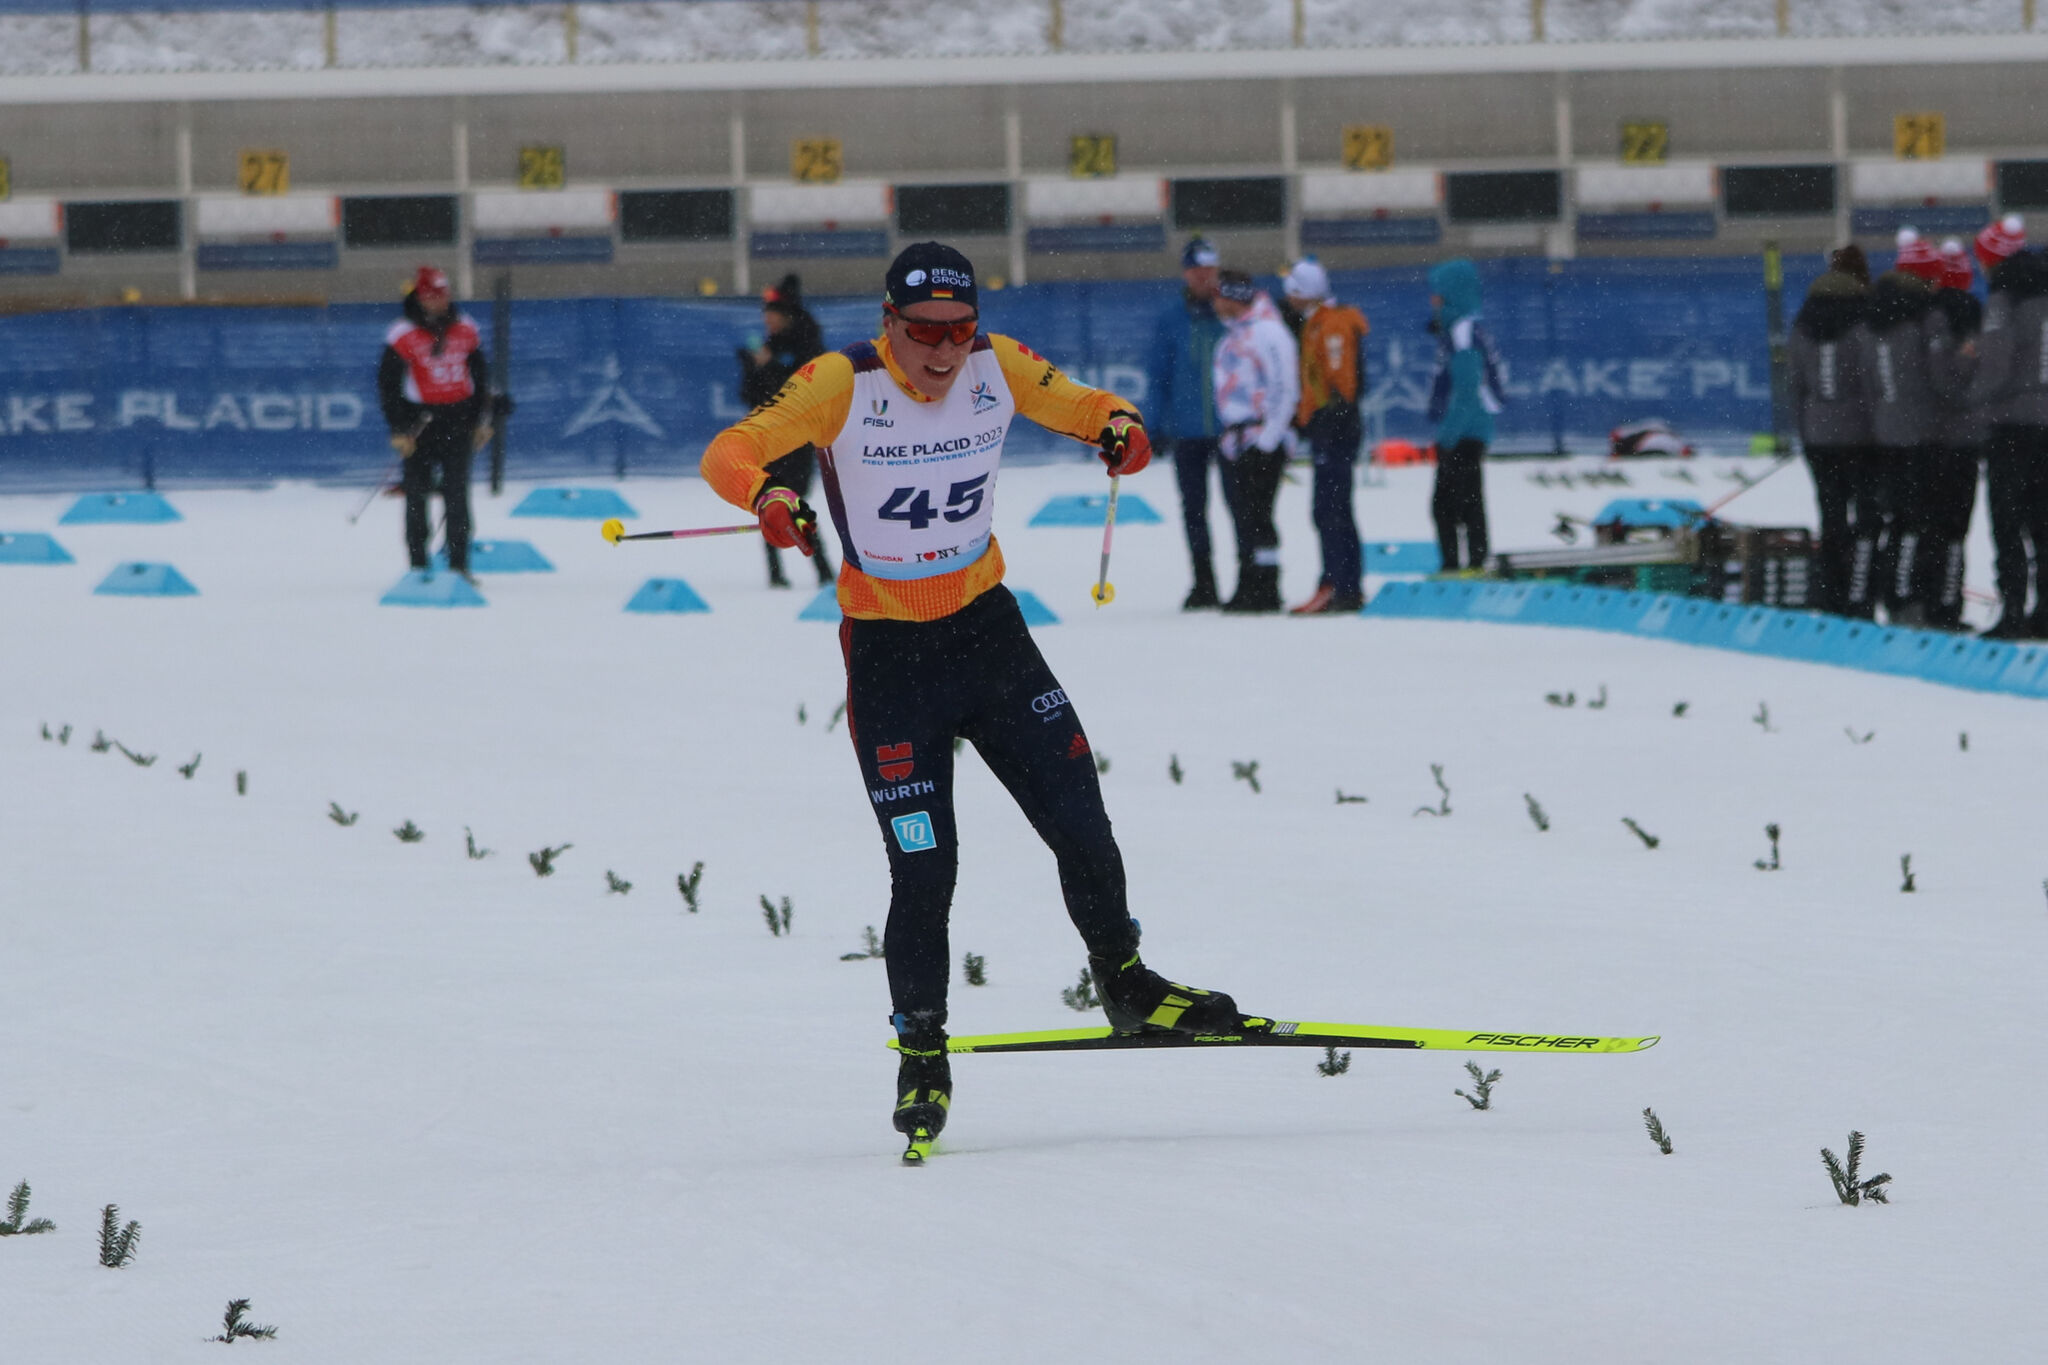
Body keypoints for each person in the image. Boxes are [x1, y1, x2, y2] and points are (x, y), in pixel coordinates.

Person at [697, 242, 1242, 1153]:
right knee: (925, 870)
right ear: (890, 323)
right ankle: (922, 1050)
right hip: (889, 658)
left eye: (960, 330)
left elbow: (1088, 405)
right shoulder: (842, 382)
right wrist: (766, 496)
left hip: (989, 639)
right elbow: (729, 449)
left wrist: (1120, 426)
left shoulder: (998, 364)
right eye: (926, 332)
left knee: (1082, 821)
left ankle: (1126, 982)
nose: (945, 351)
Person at [377, 266, 492, 580]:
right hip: (420, 424)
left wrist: (481, 419)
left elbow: (480, 376)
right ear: (420, 297)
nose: (439, 302)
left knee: (457, 494)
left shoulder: (466, 327)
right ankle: (418, 565)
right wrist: (399, 428)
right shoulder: (401, 333)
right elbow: (388, 384)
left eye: (443, 295)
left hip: (458, 421)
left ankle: (459, 565)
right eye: (431, 296)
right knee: (416, 495)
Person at [1788, 245, 1879, 618]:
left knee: (1831, 515)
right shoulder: (1866, 318)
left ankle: (1830, 595)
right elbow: (1872, 381)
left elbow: (1795, 385)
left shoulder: (1804, 319)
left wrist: (1806, 431)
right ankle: (1860, 596)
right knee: (1867, 517)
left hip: (1819, 435)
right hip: (1861, 436)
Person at [1970, 217, 2048, 638]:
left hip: (2013, 425)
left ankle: (2013, 610)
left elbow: (1997, 365)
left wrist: (1970, 398)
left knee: (2007, 518)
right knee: (2042, 521)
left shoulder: (2006, 295)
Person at [1863, 230, 1946, 624]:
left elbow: (1867, 379)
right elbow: (1938, 378)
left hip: (1882, 432)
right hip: (1919, 432)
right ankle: (1907, 598)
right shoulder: (1924, 316)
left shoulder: (1873, 314)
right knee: (1917, 520)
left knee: (1893, 519)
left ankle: (1889, 594)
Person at [1281, 258, 1370, 615]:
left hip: (1335, 428)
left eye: (1293, 290)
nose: (1288, 297)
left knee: (1331, 508)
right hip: (1329, 426)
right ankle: (1341, 584)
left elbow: (1340, 379)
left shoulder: (1331, 325)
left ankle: (1340, 585)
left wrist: (1327, 418)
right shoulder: (1316, 323)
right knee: (1332, 508)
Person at [736, 274, 835, 589]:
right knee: (771, 503)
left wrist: (771, 366)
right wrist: (752, 367)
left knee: (792, 503)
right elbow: (752, 396)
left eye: (772, 315)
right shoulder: (771, 346)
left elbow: (800, 388)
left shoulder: (806, 343)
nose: (767, 321)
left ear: (787, 315)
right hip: (769, 438)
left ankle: (822, 569)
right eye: (765, 315)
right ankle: (779, 573)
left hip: (797, 439)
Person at [1210, 268, 1299, 613]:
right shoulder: (1232, 336)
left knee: (1260, 515)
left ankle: (1267, 584)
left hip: (1261, 438)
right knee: (1241, 516)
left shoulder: (1269, 332)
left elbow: (1285, 388)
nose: (1214, 302)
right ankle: (1248, 580)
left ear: (1232, 297)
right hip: (1234, 440)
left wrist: (1267, 441)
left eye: (1219, 295)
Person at [1146, 238, 1229, 609]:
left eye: (1210, 269)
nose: (1204, 277)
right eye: (1197, 270)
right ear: (1186, 273)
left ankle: (1251, 580)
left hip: (1231, 430)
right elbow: (1158, 376)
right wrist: (1154, 427)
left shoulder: (1231, 312)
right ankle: (1204, 582)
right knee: (1194, 510)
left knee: (1242, 507)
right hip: (1187, 430)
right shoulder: (1171, 318)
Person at [1923, 239, 1987, 629]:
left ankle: (1927, 602)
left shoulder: (1925, 315)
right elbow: (1954, 378)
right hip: (1962, 439)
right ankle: (1947, 605)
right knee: (1954, 529)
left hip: (1928, 437)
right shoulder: (1970, 314)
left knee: (1931, 525)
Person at [1426, 259, 1504, 571]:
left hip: (1465, 432)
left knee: (1448, 505)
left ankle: (1462, 566)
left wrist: (1447, 436)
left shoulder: (1463, 333)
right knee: (1466, 501)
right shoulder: (1463, 329)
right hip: (1468, 430)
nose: (1433, 300)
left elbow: (1467, 390)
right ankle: (1472, 562)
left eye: (1438, 294)